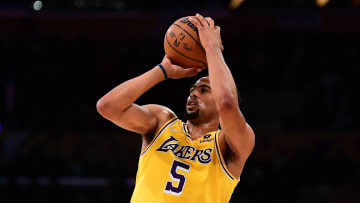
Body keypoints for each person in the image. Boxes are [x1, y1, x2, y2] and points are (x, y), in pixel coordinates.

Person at [96, 14, 255, 203]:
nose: (194, 94)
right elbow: (107, 107)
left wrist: (211, 47)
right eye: (192, 89)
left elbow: (227, 103)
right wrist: (162, 70)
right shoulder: (162, 121)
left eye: (204, 90)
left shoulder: (229, 144)